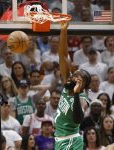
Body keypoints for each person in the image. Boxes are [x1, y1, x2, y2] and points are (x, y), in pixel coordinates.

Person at [54, 22, 91, 150]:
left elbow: (77, 119)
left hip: (72, 141)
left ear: (82, 84)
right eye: (73, 74)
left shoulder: (82, 98)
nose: (71, 77)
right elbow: (63, 56)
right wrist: (63, 31)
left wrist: (76, 94)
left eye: (76, 77)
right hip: (60, 139)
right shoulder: (67, 86)